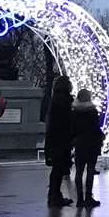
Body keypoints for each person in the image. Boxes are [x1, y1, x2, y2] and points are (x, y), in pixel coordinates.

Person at [44, 74, 75, 208]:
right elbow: (67, 121)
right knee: (58, 169)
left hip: (54, 139)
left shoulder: (55, 99)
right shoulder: (64, 101)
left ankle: (54, 195)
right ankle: (54, 196)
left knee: (57, 169)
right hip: (61, 140)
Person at [71, 88, 104, 207]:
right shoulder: (92, 111)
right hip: (92, 144)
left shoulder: (74, 111)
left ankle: (80, 199)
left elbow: (72, 129)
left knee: (79, 172)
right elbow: (96, 128)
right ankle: (88, 197)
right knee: (90, 171)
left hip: (80, 144)